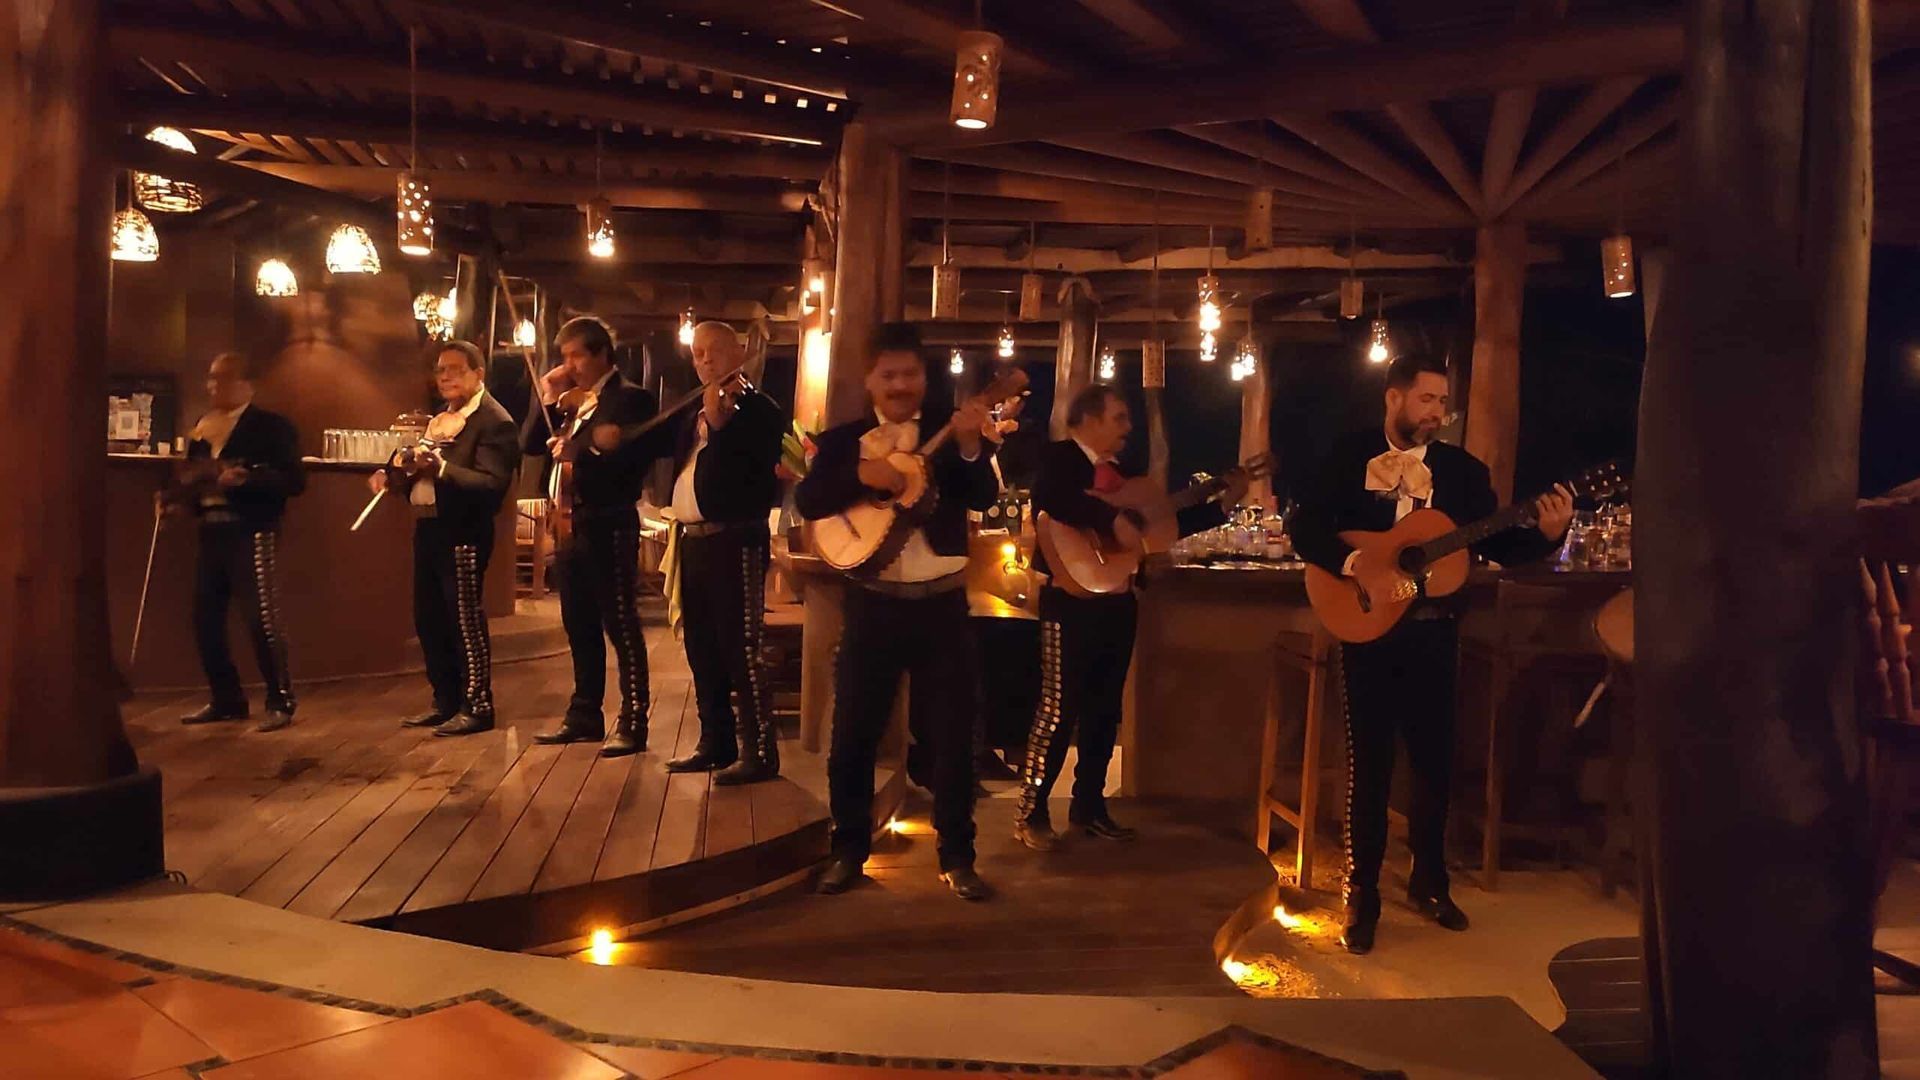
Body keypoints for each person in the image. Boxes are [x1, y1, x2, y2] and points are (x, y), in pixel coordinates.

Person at [1291, 353, 1574, 955]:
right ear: (1394, 399)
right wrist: (1355, 565)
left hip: (1434, 631)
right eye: (1427, 400)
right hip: (1368, 626)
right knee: (1369, 766)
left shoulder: (1464, 473)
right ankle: (1361, 891)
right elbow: (1305, 528)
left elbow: (1501, 543)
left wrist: (1548, 534)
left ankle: (1430, 882)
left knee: (1433, 764)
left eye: (1444, 403)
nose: (1438, 413)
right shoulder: (1348, 457)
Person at [796, 321, 997, 901]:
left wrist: (967, 444)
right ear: (870, 380)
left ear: (924, 379)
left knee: (955, 738)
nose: (901, 384)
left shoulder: (949, 431)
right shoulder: (842, 443)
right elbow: (809, 499)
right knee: (853, 735)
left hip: (941, 606)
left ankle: (958, 857)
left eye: (910, 374)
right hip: (873, 605)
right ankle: (848, 850)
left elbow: (983, 496)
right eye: (889, 374)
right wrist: (861, 474)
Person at [1013, 384, 1247, 851]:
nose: (1128, 428)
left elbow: (1159, 525)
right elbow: (1054, 499)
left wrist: (1220, 505)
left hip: (1118, 599)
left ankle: (1089, 806)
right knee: (1059, 709)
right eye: (1119, 418)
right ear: (1089, 420)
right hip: (1069, 599)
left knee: (1104, 709)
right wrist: (1108, 519)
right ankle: (1031, 810)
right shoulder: (1060, 459)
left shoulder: (1123, 477)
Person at [523, 316, 669, 757]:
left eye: (576, 356)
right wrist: (548, 395)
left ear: (602, 354)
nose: (569, 366)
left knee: (620, 624)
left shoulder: (628, 399)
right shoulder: (573, 403)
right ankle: (584, 713)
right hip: (569, 524)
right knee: (578, 624)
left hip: (609, 521)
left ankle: (634, 718)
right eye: (564, 357)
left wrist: (583, 448)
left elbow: (632, 454)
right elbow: (530, 443)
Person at [370, 341, 521, 737]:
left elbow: (491, 484)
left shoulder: (493, 421)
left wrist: (440, 468)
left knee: (464, 620)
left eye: (456, 369)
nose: (446, 377)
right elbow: (417, 471)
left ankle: (478, 704)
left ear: (478, 374)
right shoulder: (440, 420)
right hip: (430, 527)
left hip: (464, 531)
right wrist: (394, 474)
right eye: (441, 370)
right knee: (429, 618)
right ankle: (445, 699)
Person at [662, 321, 786, 785]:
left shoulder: (759, 409)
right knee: (701, 647)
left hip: (736, 538)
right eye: (697, 353)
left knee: (742, 647)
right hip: (692, 540)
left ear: (739, 351)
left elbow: (754, 470)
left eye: (715, 351)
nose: (706, 361)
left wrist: (720, 425)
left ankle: (760, 751)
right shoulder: (695, 409)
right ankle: (715, 742)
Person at [163, 352, 305, 732]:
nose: (213, 386)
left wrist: (246, 479)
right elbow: (192, 479)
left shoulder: (271, 427)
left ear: (247, 384)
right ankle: (226, 698)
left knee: (262, 619)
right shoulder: (202, 426)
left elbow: (293, 480)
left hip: (252, 529)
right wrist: (178, 502)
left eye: (223, 379)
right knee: (204, 619)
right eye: (211, 379)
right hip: (212, 529)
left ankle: (280, 700)